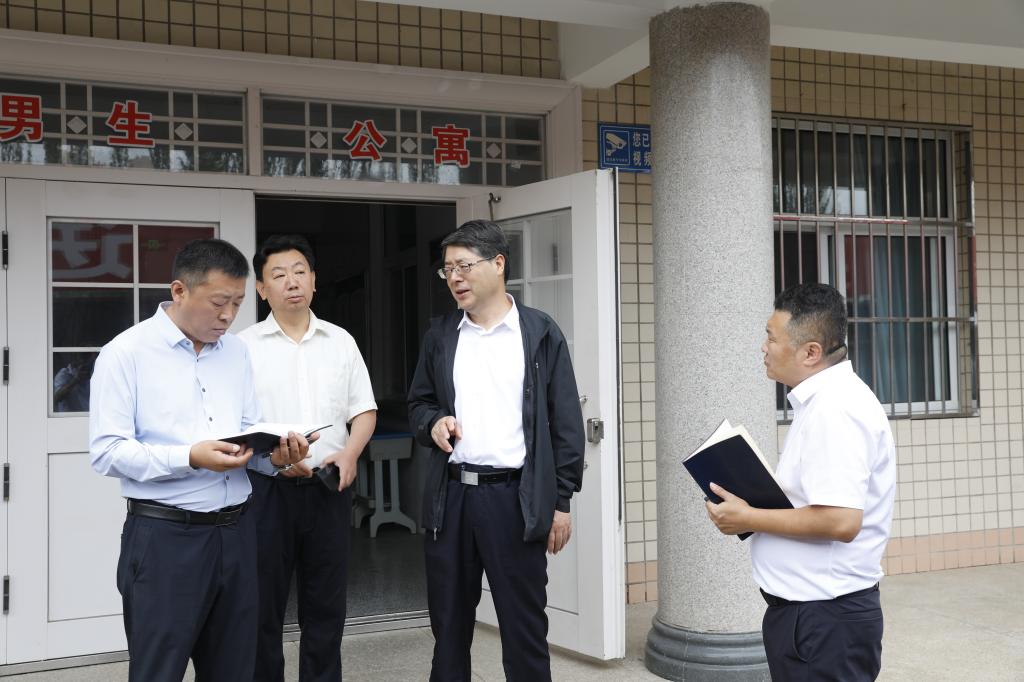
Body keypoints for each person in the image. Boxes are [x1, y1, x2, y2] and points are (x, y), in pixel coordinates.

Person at [89, 238, 310, 682]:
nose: (228, 316)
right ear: (179, 291)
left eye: (238, 303)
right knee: (159, 671)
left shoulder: (236, 353)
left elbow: (245, 433)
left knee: (236, 669)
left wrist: (276, 458)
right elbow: (108, 451)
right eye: (218, 303)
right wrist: (189, 456)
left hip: (238, 533)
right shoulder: (126, 354)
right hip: (166, 539)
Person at [407, 219, 585, 681]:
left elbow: (566, 422)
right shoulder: (441, 335)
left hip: (513, 499)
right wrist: (433, 422)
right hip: (452, 498)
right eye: (447, 270)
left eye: (464, 266)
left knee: (524, 629)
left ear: (498, 263)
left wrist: (561, 501)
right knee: (448, 628)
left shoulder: (539, 333)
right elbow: (418, 404)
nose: (454, 278)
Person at [705, 282, 896, 681]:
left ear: (811, 352)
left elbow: (841, 521)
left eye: (772, 338)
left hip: (825, 622)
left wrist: (749, 517)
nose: (764, 348)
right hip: (812, 617)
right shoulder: (823, 403)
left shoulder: (836, 410)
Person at [240, 234, 377, 682]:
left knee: (326, 609)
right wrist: (274, 459)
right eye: (278, 275)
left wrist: (352, 453)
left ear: (314, 280)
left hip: (327, 488)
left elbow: (364, 409)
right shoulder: (242, 347)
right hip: (265, 493)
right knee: (262, 608)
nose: (292, 282)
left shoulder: (341, 341)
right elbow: (233, 424)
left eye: (300, 271)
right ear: (262, 289)